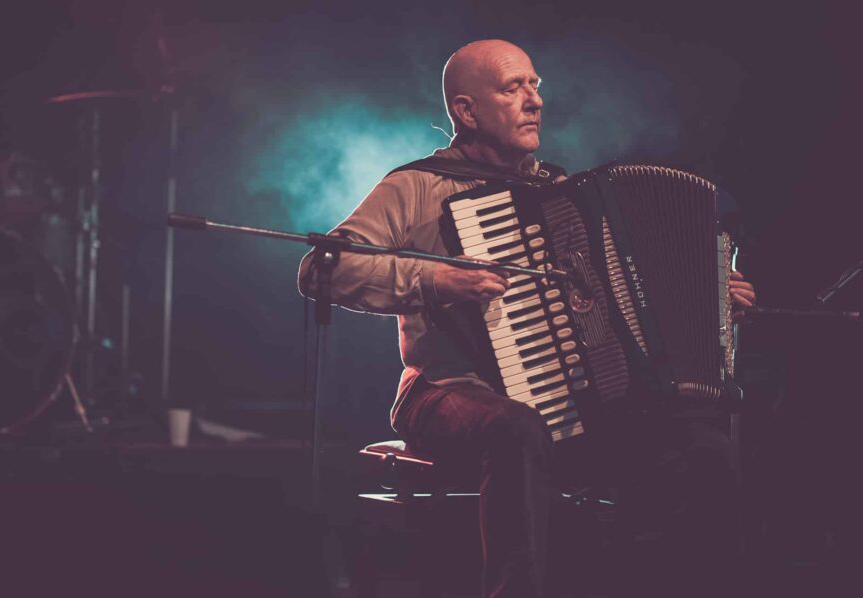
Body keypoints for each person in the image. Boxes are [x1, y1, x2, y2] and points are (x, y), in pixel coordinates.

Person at [298, 39, 756, 598]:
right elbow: (323, 270)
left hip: (572, 399)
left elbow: (624, 301)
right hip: (443, 389)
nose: (533, 100)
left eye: (535, 85)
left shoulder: (562, 194)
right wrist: (434, 279)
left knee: (705, 451)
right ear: (466, 111)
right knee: (519, 428)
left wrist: (711, 296)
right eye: (513, 88)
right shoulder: (416, 186)